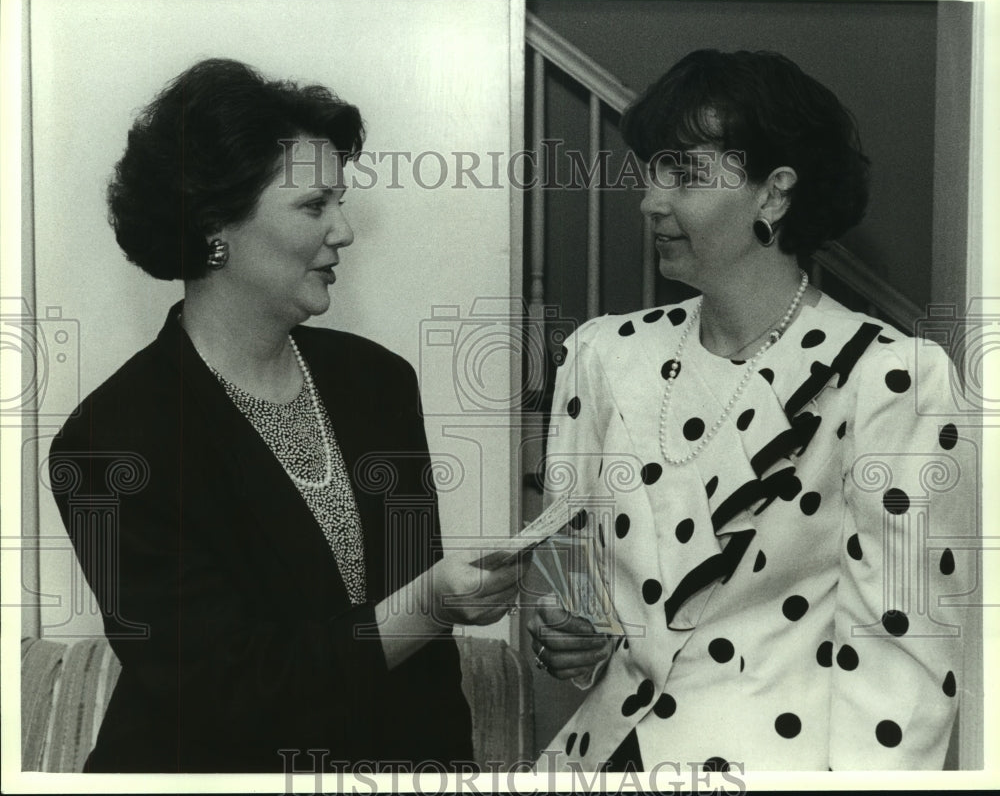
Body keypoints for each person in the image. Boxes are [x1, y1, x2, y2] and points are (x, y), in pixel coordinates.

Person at [47, 58, 519, 773]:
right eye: (313, 205)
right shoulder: (108, 442)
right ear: (215, 224)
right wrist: (429, 605)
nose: (346, 230)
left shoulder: (377, 383)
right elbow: (225, 690)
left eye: (342, 200)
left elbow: (427, 673)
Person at [527, 49, 974, 772]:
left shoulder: (892, 378)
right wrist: (571, 633)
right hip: (600, 758)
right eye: (651, 170)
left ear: (774, 194)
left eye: (685, 173)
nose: (650, 199)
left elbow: (903, 663)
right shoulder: (602, 356)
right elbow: (573, 580)